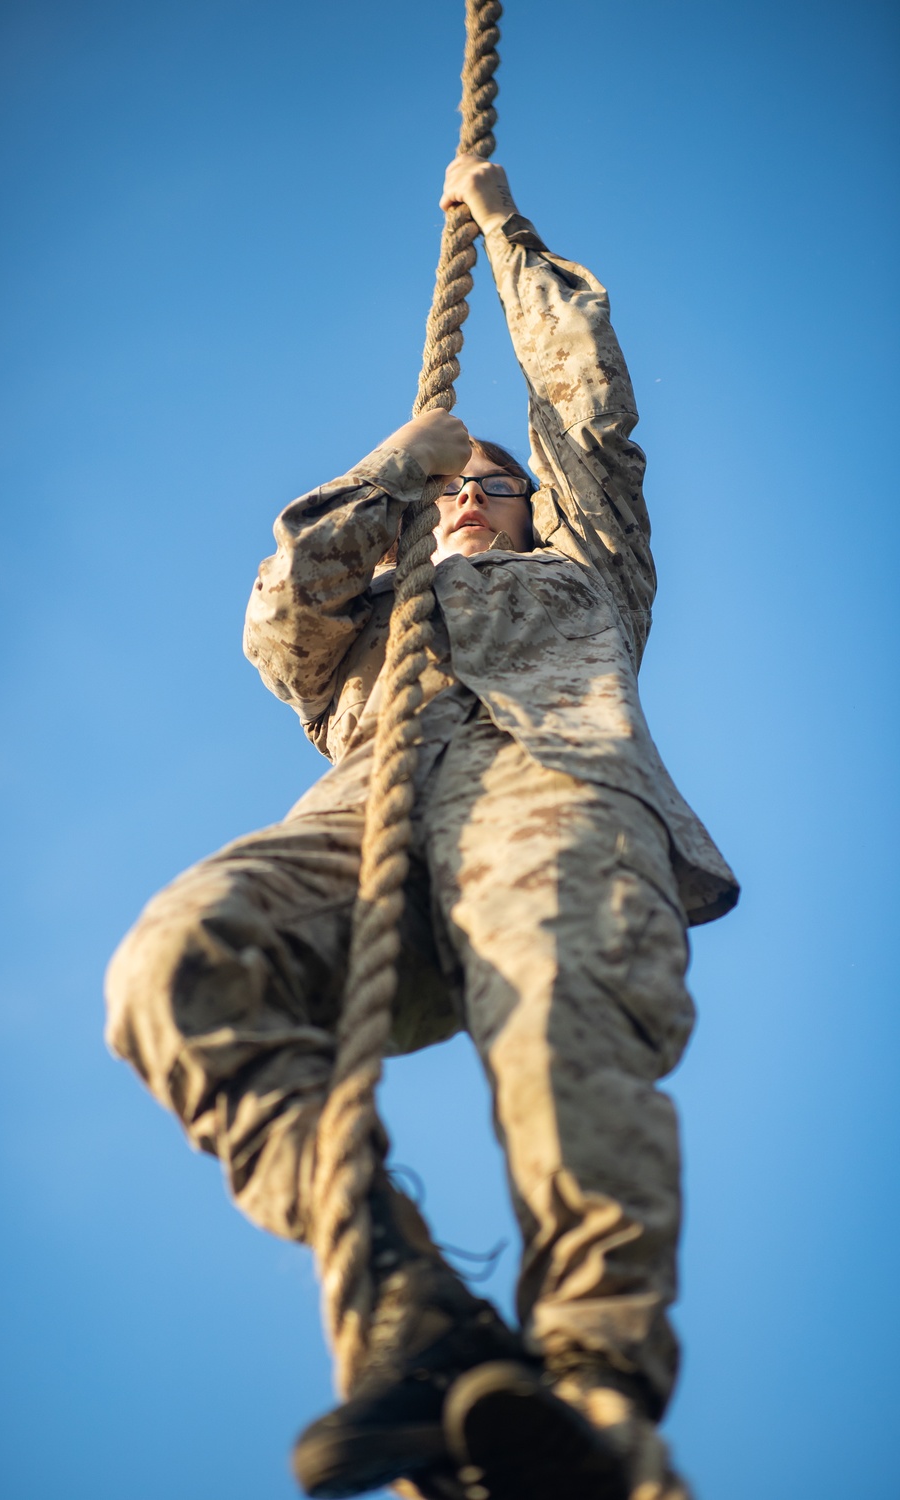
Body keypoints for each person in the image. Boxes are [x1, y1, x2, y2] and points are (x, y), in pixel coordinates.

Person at [105, 154, 738, 1500]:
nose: (473, 497)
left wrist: (505, 235)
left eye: (494, 486)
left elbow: (586, 406)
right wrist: (391, 474)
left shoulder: (585, 570)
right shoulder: (366, 630)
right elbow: (281, 620)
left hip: (548, 793)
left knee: (567, 1014)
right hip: (368, 816)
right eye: (457, 491)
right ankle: (410, 1306)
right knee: (174, 964)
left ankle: (593, 1390)